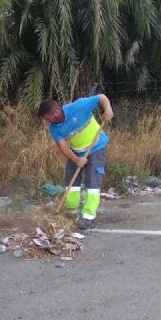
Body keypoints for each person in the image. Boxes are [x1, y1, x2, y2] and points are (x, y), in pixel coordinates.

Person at [38, 94, 114, 230]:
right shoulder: (54, 128)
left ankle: (89, 217)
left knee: (92, 181)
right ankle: (71, 211)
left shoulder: (80, 106)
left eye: (48, 118)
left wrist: (108, 110)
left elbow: (101, 98)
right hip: (76, 151)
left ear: (56, 113)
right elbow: (63, 146)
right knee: (71, 181)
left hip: (96, 146)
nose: (47, 122)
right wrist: (76, 159)